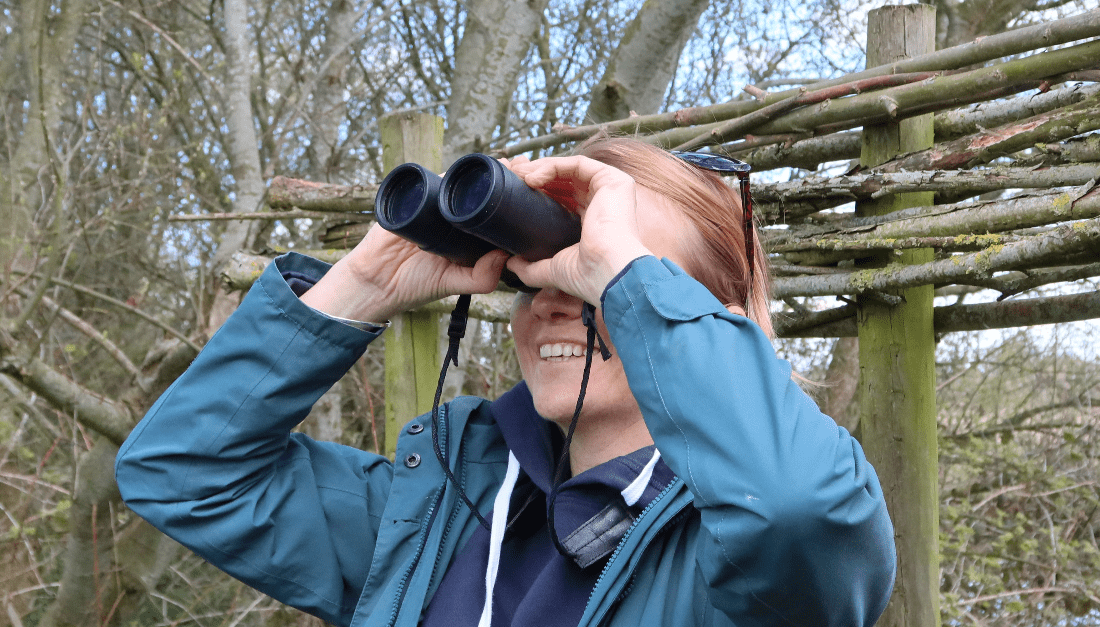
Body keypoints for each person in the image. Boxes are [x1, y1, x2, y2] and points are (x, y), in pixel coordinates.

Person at [115, 137, 897, 627]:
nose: (556, 302)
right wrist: (361, 283)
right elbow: (185, 469)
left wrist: (624, 275)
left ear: (709, 319)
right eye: (537, 276)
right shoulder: (441, 510)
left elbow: (797, 508)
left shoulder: (748, 565)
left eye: (596, 280)